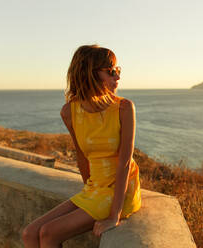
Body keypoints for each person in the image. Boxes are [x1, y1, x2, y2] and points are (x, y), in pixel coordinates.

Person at [22, 44, 142, 247]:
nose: (118, 77)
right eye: (111, 71)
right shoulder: (70, 112)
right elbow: (82, 156)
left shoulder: (123, 108)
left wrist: (114, 215)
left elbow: (124, 163)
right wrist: (88, 191)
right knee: (30, 234)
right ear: (90, 74)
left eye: (117, 71)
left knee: (49, 233)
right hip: (95, 188)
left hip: (120, 191)